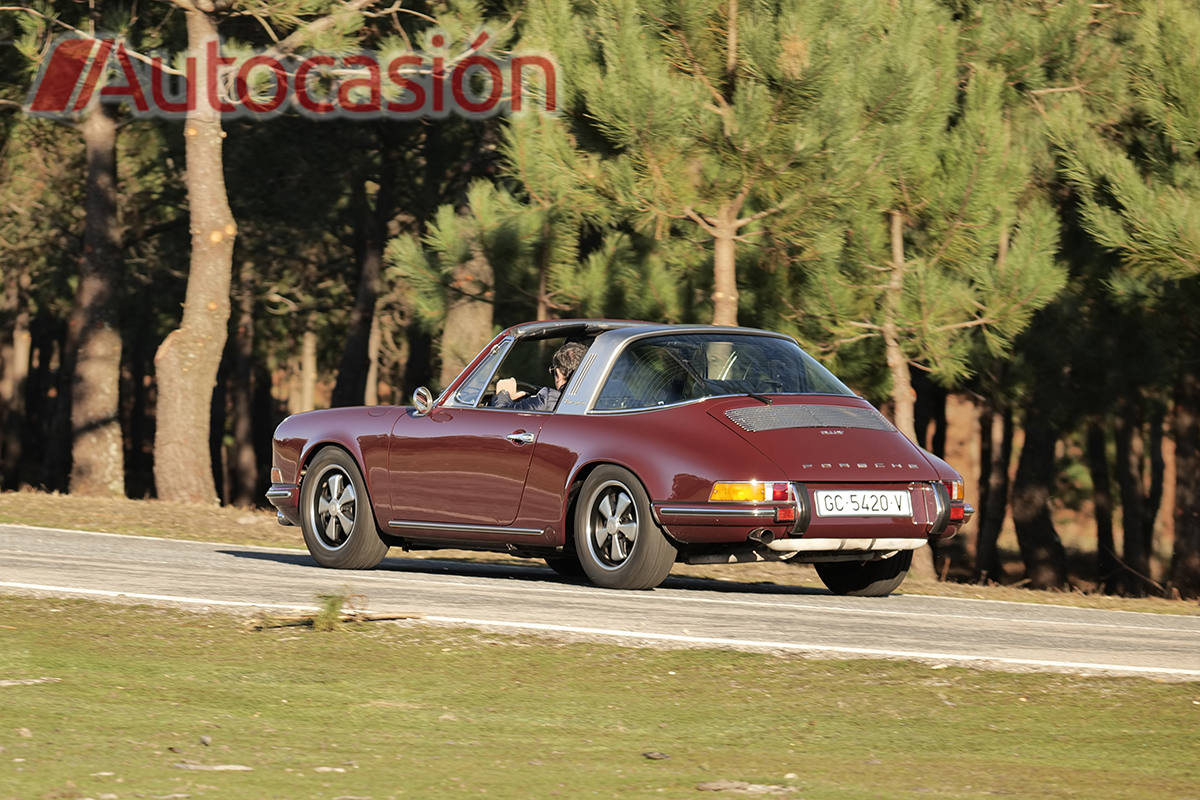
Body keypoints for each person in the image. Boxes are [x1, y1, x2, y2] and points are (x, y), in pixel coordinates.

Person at [491, 340, 588, 412]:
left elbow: (501, 419)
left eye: (552, 371)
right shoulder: (596, 399)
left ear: (558, 373)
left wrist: (502, 395)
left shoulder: (547, 400)